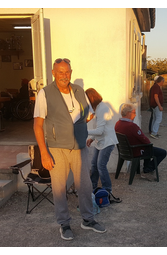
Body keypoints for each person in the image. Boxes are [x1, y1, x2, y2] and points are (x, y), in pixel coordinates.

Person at [33, 58, 106, 241]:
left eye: (67, 72)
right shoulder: (45, 93)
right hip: (57, 148)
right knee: (59, 188)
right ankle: (64, 223)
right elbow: (37, 125)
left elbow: (87, 115)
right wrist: (44, 152)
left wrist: (81, 133)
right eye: (60, 72)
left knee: (85, 185)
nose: (64, 76)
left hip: (79, 147)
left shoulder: (79, 91)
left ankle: (88, 220)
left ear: (71, 72)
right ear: (53, 73)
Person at [115, 103, 167, 181]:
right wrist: (148, 143)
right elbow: (145, 140)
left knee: (148, 147)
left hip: (126, 151)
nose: (135, 115)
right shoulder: (131, 126)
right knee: (162, 152)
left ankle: (146, 168)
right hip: (136, 151)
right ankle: (147, 170)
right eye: (134, 112)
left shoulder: (117, 124)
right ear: (128, 113)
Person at [85, 88, 118, 194]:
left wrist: (84, 131)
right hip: (100, 141)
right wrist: (92, 138)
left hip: (108, 141)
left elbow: (100, 130)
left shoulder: (102, 109)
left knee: (100, 165)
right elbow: (99, 128)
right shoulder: (97, 108)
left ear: (91, 99)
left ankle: (107, 189)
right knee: (94, 164)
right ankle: (92, 186)